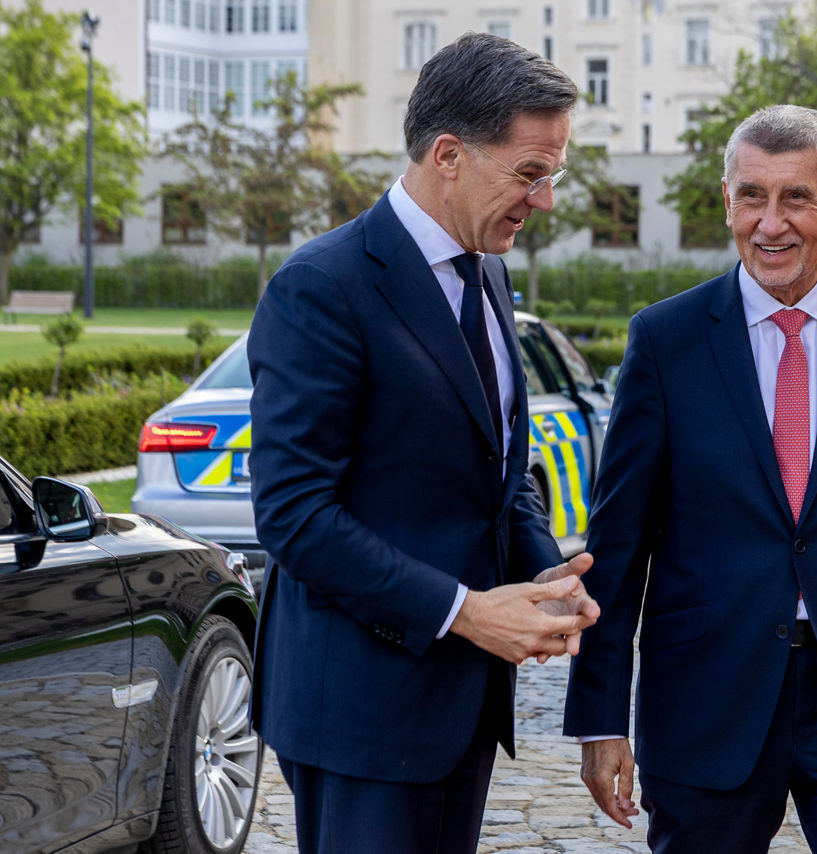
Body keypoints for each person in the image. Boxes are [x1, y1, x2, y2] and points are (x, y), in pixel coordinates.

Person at [563, 105, 817, 852]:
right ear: (727, 201)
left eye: (796, 197)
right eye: (752, 195)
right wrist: (599, 718)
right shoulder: (666, 341)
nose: (770, 223)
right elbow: (617, 549)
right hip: (706, 699)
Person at [247, 33, 598, 854]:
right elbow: (295, 518)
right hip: (359, 714)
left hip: (461, 707)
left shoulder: (489, 271)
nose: (543, 200)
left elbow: (496, 472)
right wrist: (469, 613)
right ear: (448, 154)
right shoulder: (321, 287)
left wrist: (542, 573)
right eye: (529, 174)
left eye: (554, 175)